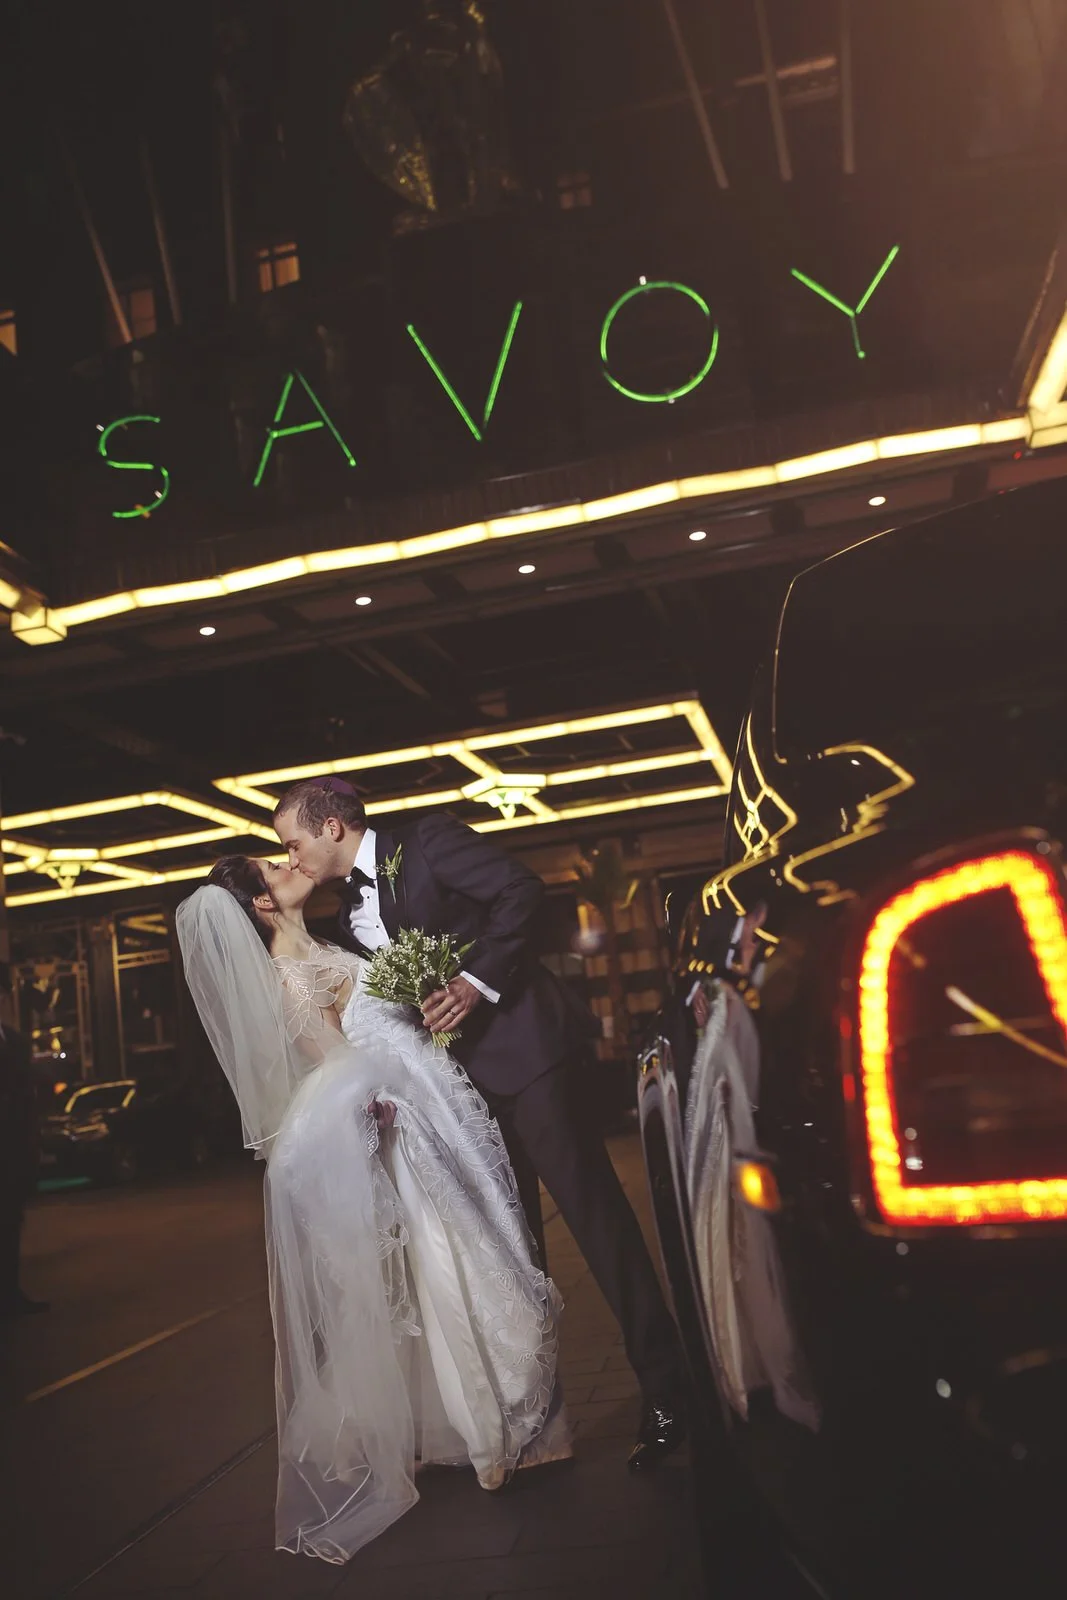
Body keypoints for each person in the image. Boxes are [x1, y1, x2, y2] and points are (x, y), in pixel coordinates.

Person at [273, 777, 688, 1469]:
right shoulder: (343, 918)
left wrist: (475, 982)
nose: (292, 856)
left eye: (294, 840)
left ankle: (670, 1390)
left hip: (529, 1060)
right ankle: (535, 1417)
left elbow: (520, 891)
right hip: (455, 1095)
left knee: (597, 1224)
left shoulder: (427, 841)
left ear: (333, 827)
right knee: (511, 1254)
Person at [176, 860, 566, 1564]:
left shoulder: (318, 947)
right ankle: (486, 1436)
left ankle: (464, 1430)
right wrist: (382, 1098)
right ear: (263, 901)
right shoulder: (290, 971)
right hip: (396, 1124)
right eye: (276, 865)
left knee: (440, 1266)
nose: (291, 864)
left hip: (423, 1102)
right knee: (444, 1264)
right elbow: (337, 1065)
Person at [0, 1005, 49, 1319]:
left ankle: (9, 1294)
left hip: (11, 1152)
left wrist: (32, 1145)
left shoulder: (15, 1041)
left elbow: (28, 1096)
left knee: (9, 1224)